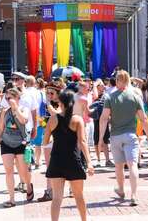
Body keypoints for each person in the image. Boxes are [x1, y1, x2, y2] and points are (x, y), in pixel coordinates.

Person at [99, 70, 148, 206]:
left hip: (115, 136)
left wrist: (100, 139)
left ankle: (121, 190)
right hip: (130, 135)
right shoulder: (135, 97)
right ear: (128, 80)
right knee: (132, 165)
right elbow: (144, 118)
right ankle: (134, 195)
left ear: (117, 81)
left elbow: (104, 118)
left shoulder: (110, 97)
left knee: (118, 166)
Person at [44, 90, 94, 221]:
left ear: (60, 103)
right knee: (79, 196)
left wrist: (56, 138)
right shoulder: (77, 120)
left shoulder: (53, 119)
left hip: (56, 160)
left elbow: (45, 141)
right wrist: (89, 162)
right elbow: (83, 142)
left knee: (57, 198)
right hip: (73, 160)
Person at [0, 88, 34, 207]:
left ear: (18, 98)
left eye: (10, 98)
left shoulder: (23, 109)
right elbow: (1, 127)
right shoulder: (4, 111)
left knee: (23, 170)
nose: (8, 100)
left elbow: (23, 120)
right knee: (9, 171)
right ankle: (12, 199)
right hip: (6, 143)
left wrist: (15, 108)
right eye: (6, 98)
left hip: (21, 143)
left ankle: (28, 186)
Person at [37, 81, 63, 202]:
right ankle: (49, 191)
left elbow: (56, 115)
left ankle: (70, 189)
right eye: (47, 93)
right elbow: (43, 118)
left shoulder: (63, 103)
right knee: (49, 166)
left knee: (63, 165)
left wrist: (48, 103)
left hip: (61, 137)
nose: (49, 95)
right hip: (49, 136)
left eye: (52, 93)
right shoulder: (48, 104)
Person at [89, 80, 113, 168]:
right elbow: (94, 98)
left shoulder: (105, 94)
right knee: (97, 139)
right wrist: (95, 86)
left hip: (104, 119)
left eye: (103, 85)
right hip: (96, 119)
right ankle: (98, 160)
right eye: (101, 85)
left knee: (105, 139)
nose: (103, 86)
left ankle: (107, 160)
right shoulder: (93, 94)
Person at [31, 78, 46, 169]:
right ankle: (38, 161)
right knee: (38, 142)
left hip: (33, 119)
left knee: (31, 142)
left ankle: (33, 160)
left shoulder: (33, 93)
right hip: (41, 119)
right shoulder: (43, 93)